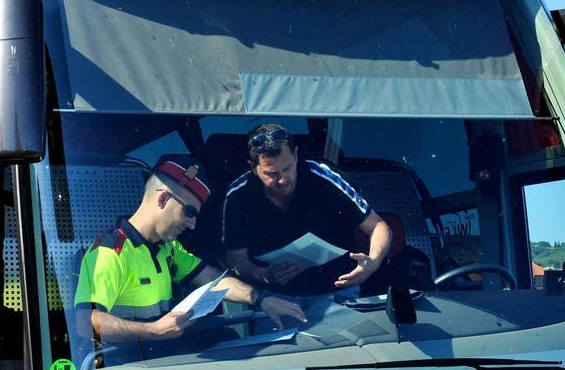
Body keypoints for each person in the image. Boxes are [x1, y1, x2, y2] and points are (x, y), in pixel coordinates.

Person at [74, 155, 306, 358]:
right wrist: (154, 331)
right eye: (190, 212)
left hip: (163, 366)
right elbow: (85, 322)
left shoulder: (169, 249)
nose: (193, 224)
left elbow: (215, 281)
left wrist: (260, 299)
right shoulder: (109, 252)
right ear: (163, 199)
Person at [223, 124, 394, 296]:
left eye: (287, 168)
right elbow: (235, 257)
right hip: (274, 297)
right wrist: (263, 275)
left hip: (337, 287)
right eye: (271, 173)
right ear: (253, 167)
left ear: (296, 155)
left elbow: (378, 226)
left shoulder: (325, 179)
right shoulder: (238, 195)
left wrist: (372, 262)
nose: (282, 180)